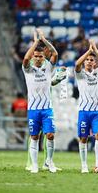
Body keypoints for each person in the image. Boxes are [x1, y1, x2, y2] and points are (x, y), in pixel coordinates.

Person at [22, 28, 58, 173]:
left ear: (44, 57)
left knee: (50, 135)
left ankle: (49, 162)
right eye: (35, 56)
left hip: (47, 108)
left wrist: (44, 40)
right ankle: (35, 165)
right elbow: (25, 59)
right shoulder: (28, 69)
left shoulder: (48, 67)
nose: (37, 58)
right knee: (34, 136)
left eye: (40, 56)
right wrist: (36, 42)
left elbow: (55, 53)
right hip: (33, 109)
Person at [74, 40, 98, 173]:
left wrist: (96, 51)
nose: (89, 61)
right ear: (85, 62)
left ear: (95, 63)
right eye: (87, 60)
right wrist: (89, 51)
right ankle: (84, 165)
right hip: (84, 111)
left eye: (91, 60)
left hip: (96, 112)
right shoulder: (80, 74)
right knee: (83, 138)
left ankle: (97, 165)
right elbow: (77, 64)